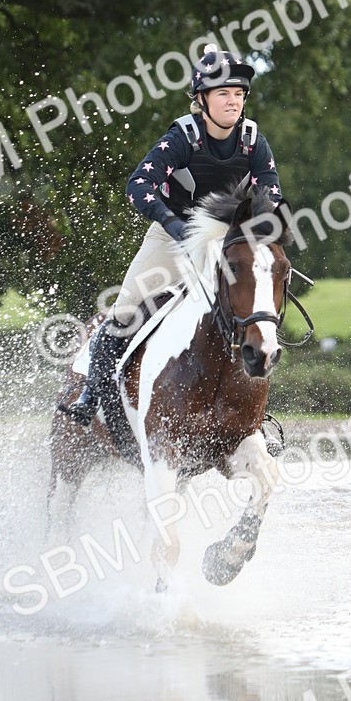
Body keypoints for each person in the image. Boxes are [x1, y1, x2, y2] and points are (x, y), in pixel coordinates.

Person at [60, 46, 284, 425]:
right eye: (223, 94)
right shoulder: (182, 137)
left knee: (253, 315)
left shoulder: (253, 142)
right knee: (124, 310)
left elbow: (271, 194)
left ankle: (254, 417)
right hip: (172, 238)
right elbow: (139, 184)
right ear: (202, 99)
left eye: (239, 94)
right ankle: (91, 394)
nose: (233, 102)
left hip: (224, 243)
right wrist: (171, 222)